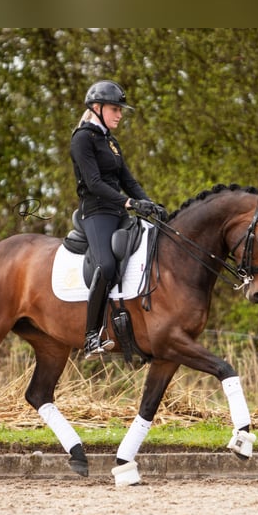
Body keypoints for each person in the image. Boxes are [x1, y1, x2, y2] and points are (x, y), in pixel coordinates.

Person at [70, 79, 167, 359]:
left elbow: (128, 180)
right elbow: (94, 182)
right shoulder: (82, 139)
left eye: (120, 109)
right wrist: (127, 201)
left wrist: (149, 204)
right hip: (96, 212)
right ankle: (91, 336)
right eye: (115, 109)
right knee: (107, 264)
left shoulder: (111, 142)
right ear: (97, 108)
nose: (120, 115)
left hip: (118, 211)